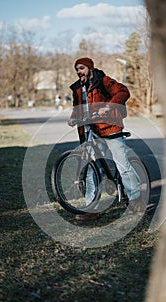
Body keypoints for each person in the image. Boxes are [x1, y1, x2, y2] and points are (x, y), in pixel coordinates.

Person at [68, 57, 141, 221]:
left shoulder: (103, 80)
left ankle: (136, 201)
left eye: (81, 68)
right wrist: (73, 118)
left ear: (90, 68)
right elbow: (77, 108)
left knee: (123, 166)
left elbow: (123, 91)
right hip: (93, 132)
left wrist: (108, 107)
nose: (79, 72)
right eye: (77, 69)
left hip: (110, 129)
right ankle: (91, 208)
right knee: (91, 171)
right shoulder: (78, 89)